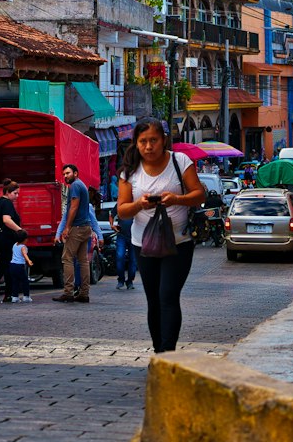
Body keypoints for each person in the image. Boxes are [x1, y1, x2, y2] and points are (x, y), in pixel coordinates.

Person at [117, 119, 204, 352]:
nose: (148, 146)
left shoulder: (180, 161)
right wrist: (139, 205)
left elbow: (199, 194)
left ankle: (168, 353)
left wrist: (177, 199)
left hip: (179, 243)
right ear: (136, 144)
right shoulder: (129, 172)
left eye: (153, 140)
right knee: (153, 300)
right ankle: (158, 352)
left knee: (168, 295)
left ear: (163, 140)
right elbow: (122, 210)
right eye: (143, 141)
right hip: (143, 245)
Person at [52, 161, 92, 303]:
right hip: (86, 227)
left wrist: (67, 227)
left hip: (77, 228)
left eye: (68, 173)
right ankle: (84, 293)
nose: (65, 176)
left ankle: (68, 292)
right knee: (83, 261)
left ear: (75, 173)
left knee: (67, 258)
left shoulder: (75, 186)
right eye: (63, 174)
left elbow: (73, 207)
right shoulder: (82, 185)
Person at [55, 196, 104, 296]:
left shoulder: (86, 206)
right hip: (82, 233)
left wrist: (100, 236)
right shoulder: (71, 206)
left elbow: (93, 221)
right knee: (80, 261)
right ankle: (82, 290)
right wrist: (58, 234)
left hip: (78, 232)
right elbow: (64, 220)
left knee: (75, 260)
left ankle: (74, 289)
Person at [0, 179, 25, 302]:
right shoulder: (7, 203)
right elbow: (6, 220)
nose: (17, 196)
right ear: (8, 192)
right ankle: (7, 293)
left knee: (4, 264)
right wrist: (20, 230)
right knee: (9, 264)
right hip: (6, 238)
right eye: (15, 193)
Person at [115, 211, 137, 291]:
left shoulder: (136, 203)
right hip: (122, 235)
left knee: (133, 259)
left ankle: (130, 281)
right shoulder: (120, 203)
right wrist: (112, 225)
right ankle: (121, 279)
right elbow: (111, 214)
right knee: (120, 256)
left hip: (134, 236)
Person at [8, 238, 32, 302]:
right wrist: (28, 260)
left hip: (12, 265)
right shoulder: (23, 247)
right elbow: (24, 254)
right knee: (25, 281)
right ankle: (26, 296)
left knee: (15, 281)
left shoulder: (15, 245)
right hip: (20, 265)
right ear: (24, 239)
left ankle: (15, 297)